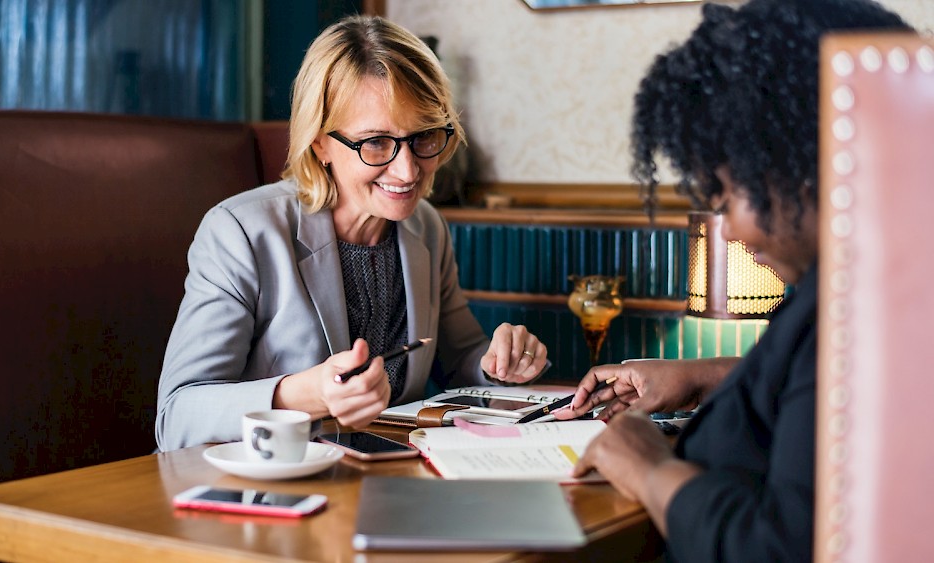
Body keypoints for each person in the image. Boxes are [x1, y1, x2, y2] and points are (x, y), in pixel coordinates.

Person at [554, 1, 912, 561]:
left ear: (800, 164)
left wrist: (650, 469)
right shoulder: (869, 284)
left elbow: (775, 548)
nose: (735, 231)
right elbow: (814, 393)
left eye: (726, 196)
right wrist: (701, 376)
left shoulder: (852, 314)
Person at [156, 15, 550, 452]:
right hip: (266, 492)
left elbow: (459, 359)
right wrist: (306, 396)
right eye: (376, 142)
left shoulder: (425, 227)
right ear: (320, 142)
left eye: (424, 137)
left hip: (390, 485)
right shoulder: (241, 233)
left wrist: (499, 362)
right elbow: (177, 417)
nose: (407, 171)